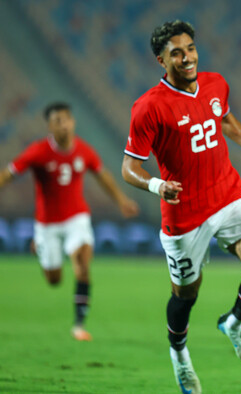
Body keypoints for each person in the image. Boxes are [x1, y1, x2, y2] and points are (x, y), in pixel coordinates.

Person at [121, 20, 241, 394]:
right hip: (184, 214)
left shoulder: (215, 83)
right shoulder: (148, 108)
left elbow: (224, 117)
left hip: (227, 195)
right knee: (185, 296)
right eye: (176, 53)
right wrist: (156, 184)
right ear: (162, 61)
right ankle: (180, 356)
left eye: (189, 48)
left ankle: (234, 324)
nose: (186, 57)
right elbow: (129, 166)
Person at [0, 102, 139, 341]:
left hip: (77, 218)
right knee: (54, 279)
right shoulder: (37, 152)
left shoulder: (84, 151)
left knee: (83, 265)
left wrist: (121, 200)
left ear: (73, 122)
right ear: (50, 127)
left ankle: (79, 325)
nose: (63, 125)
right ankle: (40, 247)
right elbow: (9, 173)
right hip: (47, 224)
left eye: (66, 119)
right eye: (57, 121)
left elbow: (102, 175)